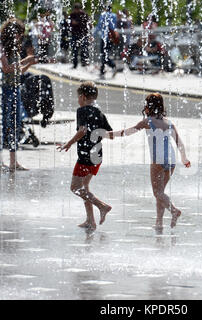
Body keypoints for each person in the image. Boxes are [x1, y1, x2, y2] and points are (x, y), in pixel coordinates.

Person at [105, 93, 190, 230]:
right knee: (161, 193)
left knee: (158, 193)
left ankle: (174, 211)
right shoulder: (168, 122)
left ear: (149, 106)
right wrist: (184, 158)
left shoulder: (147, 122)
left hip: (158, 160)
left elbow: (126, 132)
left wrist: (108, 134)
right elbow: (179, 142)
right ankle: (159, 223)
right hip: (171, 160)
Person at [57, 81, 112, 231]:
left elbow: (82, 131)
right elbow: (109, 134)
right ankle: (90, 221)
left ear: (82, 96)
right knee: (84, 188)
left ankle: (102, 206)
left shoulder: (82, 110)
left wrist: (68, 144)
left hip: (86, 156)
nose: (78, 100)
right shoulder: (99, 111)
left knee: (75, 188)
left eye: (78, 97)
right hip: (97, 155)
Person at [0, 17, 39, 172]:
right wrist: (25, 59)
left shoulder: (14, 46)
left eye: (21, 34)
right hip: (3, 89)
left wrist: (29, 64)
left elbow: (17, 71)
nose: (19, 37)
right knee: (3, 124)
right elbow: (6, 68)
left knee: (15, 125)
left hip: (14, 88)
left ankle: (13, 162)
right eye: (18, 33)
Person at [95, 4, 117, 79]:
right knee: (106, 55)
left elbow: (99, 26)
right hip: (111, 38)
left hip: (104, 37)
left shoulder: (103, 15)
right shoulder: (114, 15)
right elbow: (114, 27)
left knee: (103, 55)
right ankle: (102, 71)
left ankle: (112, 66)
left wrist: (93, 35)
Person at [69, 3, 91, 69]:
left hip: (83, 34)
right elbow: (71, 23)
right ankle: (75, 64)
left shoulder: (84, 14)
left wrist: (76, 22)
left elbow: (87, 23)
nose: (76, 11)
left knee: (84, 49)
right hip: (75, 34)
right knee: (74, 50)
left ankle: (83, 62)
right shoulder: (72, 15)